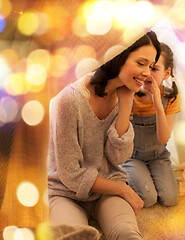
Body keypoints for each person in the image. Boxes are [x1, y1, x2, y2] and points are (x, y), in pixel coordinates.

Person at [47, 31, 161, 240]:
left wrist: (126, 104)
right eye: (141, 63)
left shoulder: (125, 93)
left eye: (151, 66)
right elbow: (70, 173)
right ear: (117, 56)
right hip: (65, 192)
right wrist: (123, 190)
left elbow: (118, 157)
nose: (147, 73)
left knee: (128, 234)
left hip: (107, 187)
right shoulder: (69, 99)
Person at [121, 43, 180, 208]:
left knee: (170, 199)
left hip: (158, 155)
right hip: (133, 156)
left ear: (166, 73)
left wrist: (157, 104)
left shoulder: (170, 97)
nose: (147, 73)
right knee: (148, 199)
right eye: (143, 66)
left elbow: (163, 138)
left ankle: (147, 175)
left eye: (154, 69)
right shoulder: (128, 94)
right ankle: (125, 175)